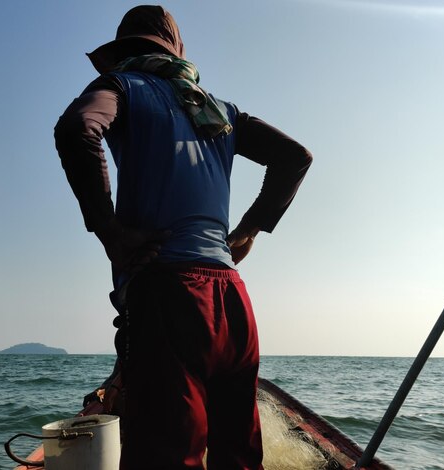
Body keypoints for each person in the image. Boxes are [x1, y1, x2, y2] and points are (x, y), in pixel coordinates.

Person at [54, 5, 312, 470]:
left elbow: (78, 127)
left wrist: (109, 230)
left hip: (168, 295)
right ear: (177, 51)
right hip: (233, 302)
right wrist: (248, 231)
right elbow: (295, 157)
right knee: (238, 454)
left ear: (123, 52)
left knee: (167, 456)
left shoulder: (122, 86)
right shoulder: (221, 110)